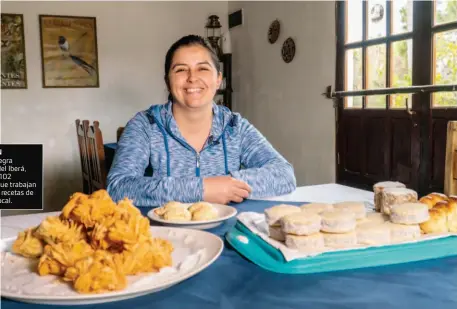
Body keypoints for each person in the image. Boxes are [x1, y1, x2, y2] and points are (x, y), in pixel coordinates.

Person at [107, 34, 296, 206]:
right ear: (167, 81)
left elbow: (284, 175)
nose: (192, 78)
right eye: (181, 70)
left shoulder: (234, 126)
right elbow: (118, 188)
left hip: (227, 230)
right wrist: (202, 189)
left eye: (203, 69)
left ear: (218, 80)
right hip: (165, 236)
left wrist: (227, 185)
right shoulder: (144, 125)